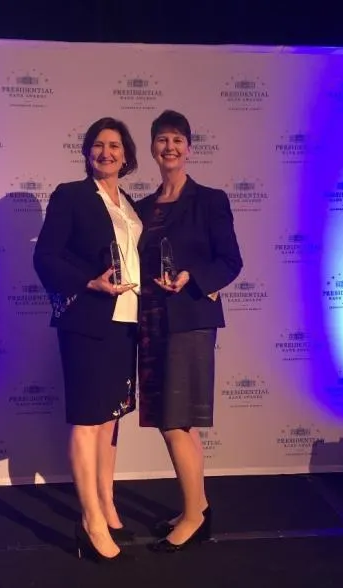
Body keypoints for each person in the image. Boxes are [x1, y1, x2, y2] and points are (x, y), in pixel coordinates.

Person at [33, 117, 142, 563]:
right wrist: (89, 283)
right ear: (86, 152)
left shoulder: (130, 203)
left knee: (110, 418)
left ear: (127, 154)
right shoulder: (71, 196)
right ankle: (90, 521)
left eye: (114, 145)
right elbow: (45, 257)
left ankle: (108, 504)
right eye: (98, 145)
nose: (106, 153)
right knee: (87, 420)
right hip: (87, 321)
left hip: (127, 321)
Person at [136, 109, 243, 553]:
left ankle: (195, 518)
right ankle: (196, 507)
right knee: (180, 425)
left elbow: (230, 261)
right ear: (152, 149)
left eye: (177, 139)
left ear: (189, 147)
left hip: (190, 319)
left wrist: (191, 278)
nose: (170, 147)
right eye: (162, 140)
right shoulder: (140, 207)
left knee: (175, 422)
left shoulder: (210, 200)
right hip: (150, 323)